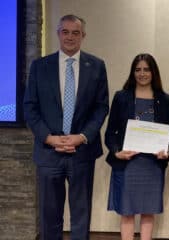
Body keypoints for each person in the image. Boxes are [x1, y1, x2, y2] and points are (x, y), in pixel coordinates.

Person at [23, 14, 109, 240]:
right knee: (49, 213)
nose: (70, 37)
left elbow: (101, 108)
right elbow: (30, 107)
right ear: (58, 34)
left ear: (83, 36)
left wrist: (81, 137)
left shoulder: (97, 66)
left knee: (81, 212)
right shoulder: (40, 66)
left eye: (76, 32)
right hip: (49, 151)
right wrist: (49, 138)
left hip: (82, 151)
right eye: (65, 31)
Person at [105, 53, 169, 240]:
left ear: (153, 72)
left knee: (148, 210)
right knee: (127, 211)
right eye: (138, 70)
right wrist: (117, 152)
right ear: (133, 72)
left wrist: (166, 151)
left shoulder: (164, 99)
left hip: (152, 165)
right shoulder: (121, 97)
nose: (142, 73)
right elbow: (111, 132)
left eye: (146, 69)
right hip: (128, 164)